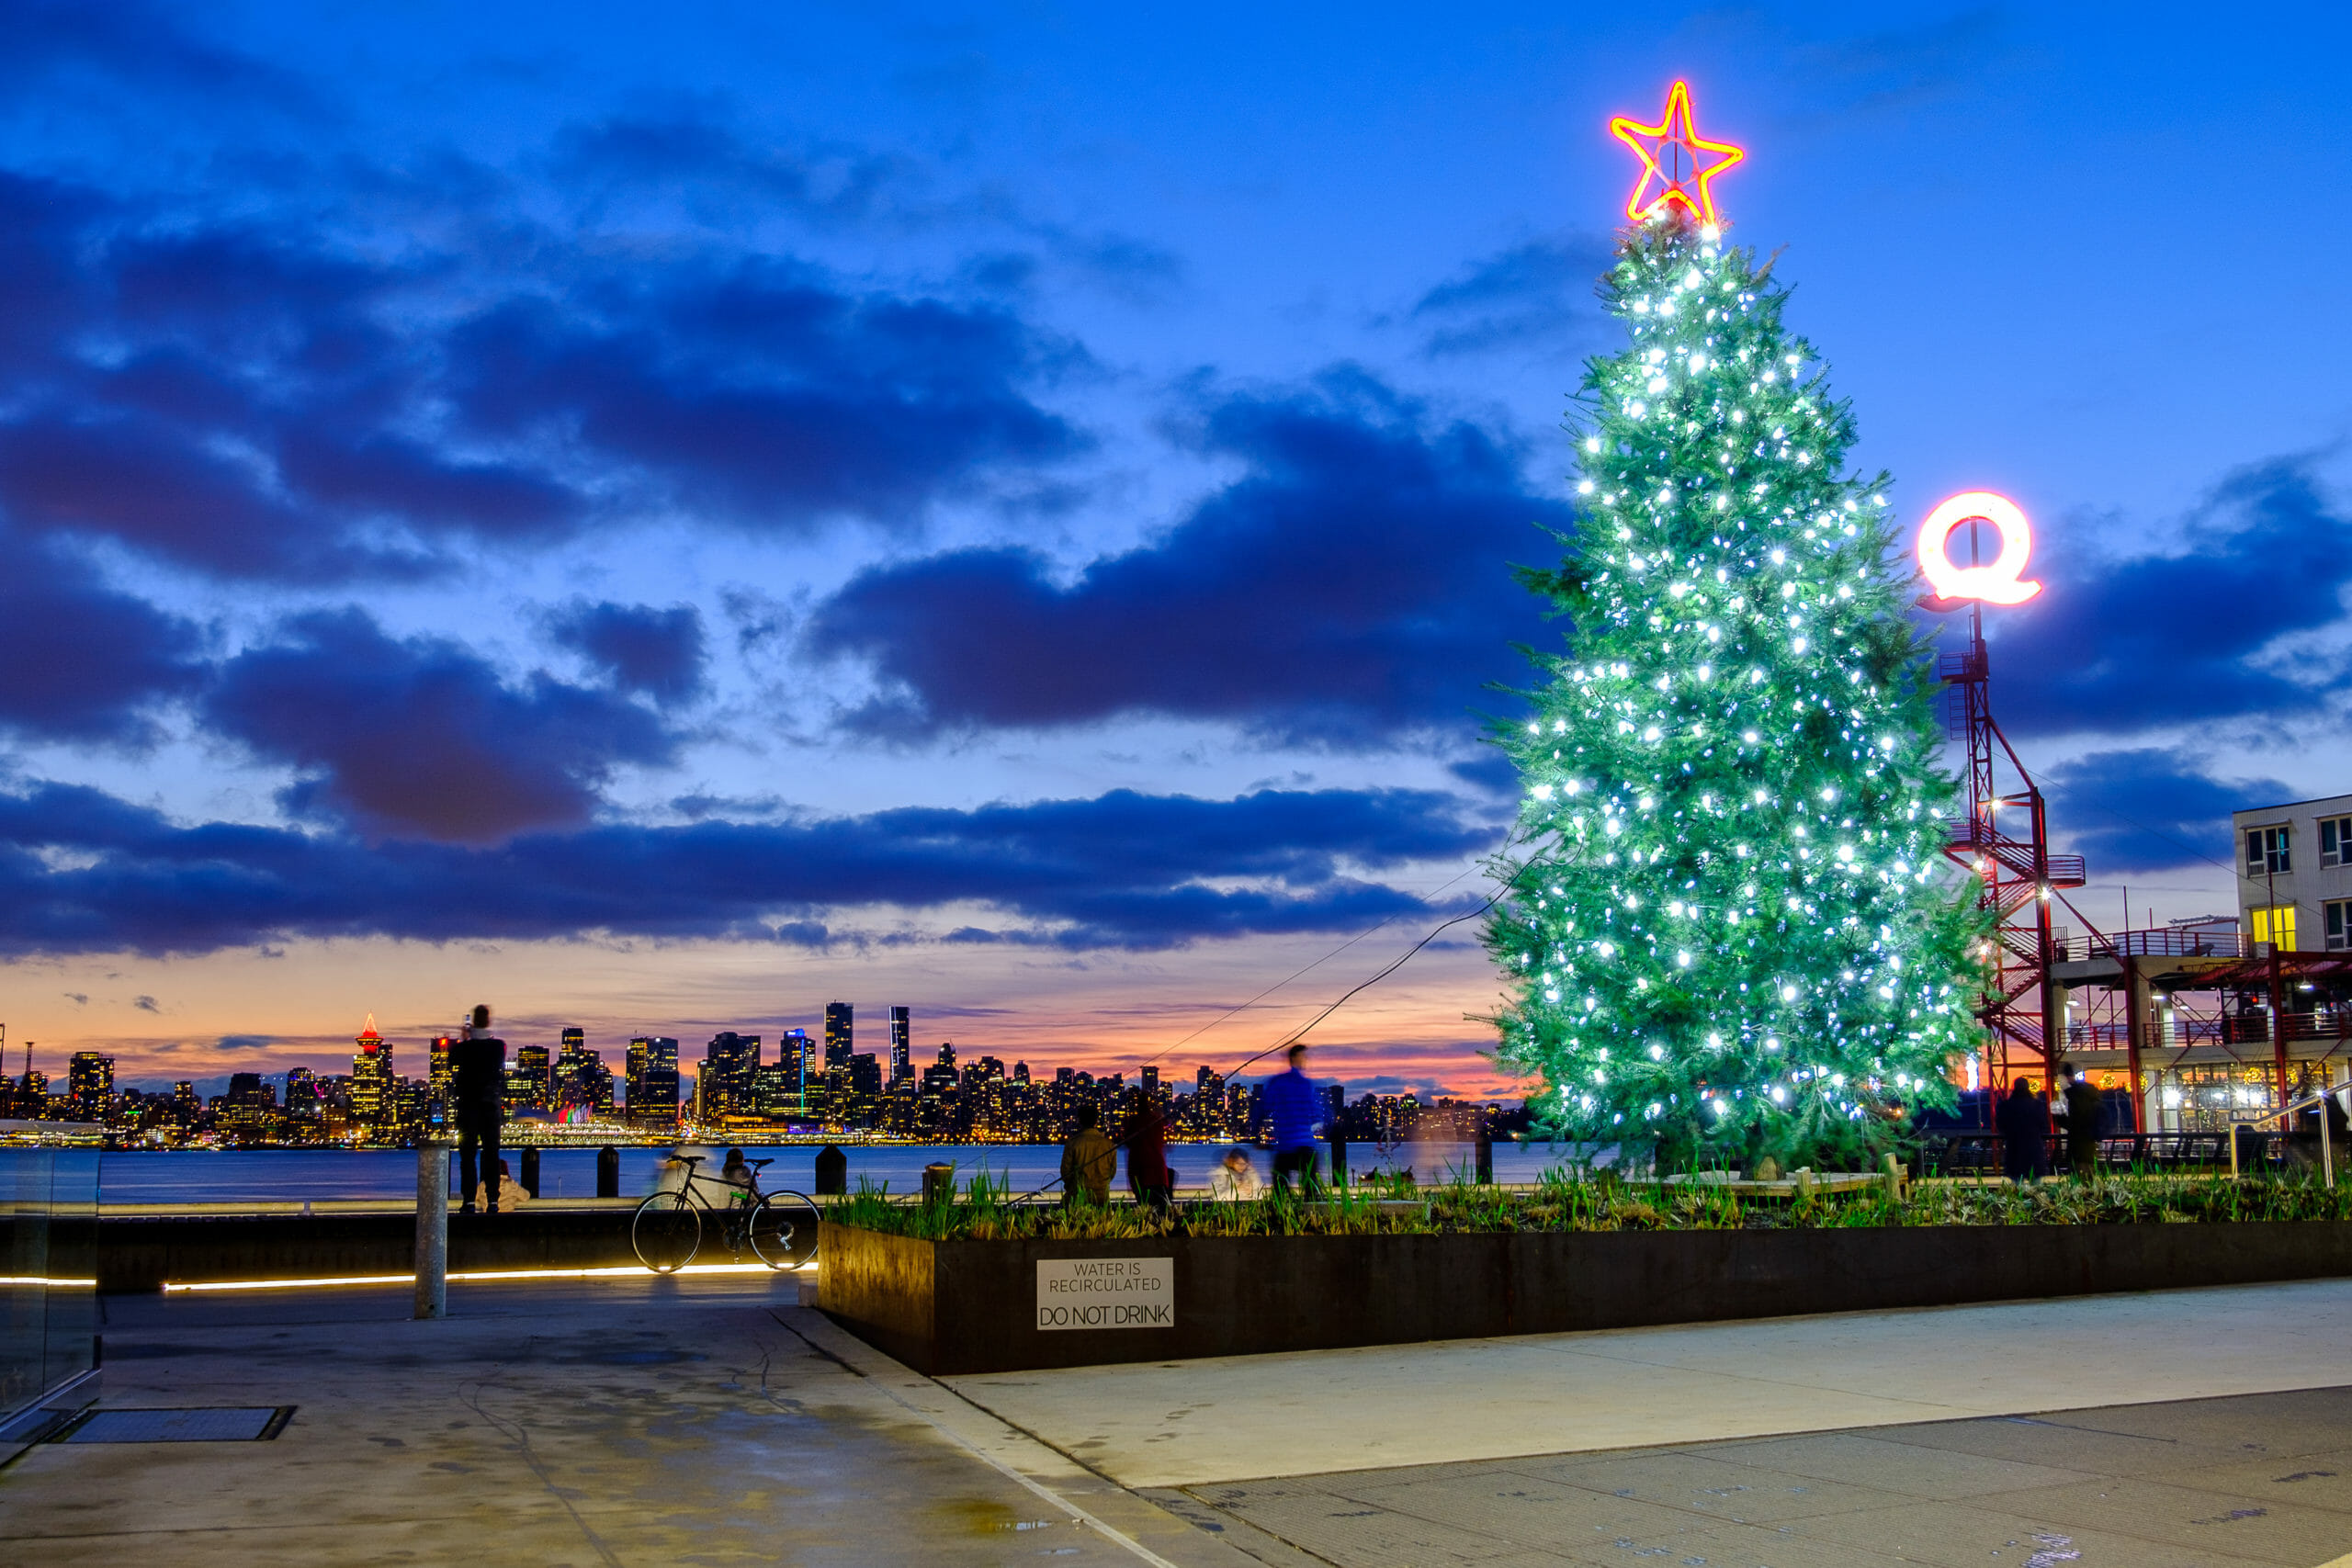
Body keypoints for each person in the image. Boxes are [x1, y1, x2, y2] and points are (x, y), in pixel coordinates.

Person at [450, 1004, 506, 1213]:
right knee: (491, 1154)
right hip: (490, 1108)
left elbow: (452, 1059)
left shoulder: (464, 1048)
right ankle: (493, 1201)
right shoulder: (498, 1046)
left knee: (467, 1156)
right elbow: (497, 1060)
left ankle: (469, 1201)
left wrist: (466, 1038)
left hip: (468, 1108)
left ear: (473, 1022)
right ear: (489, 1021)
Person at [1264, 1043, 1324, 1196]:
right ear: (1293, 1058)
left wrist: (1257, 1135)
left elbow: (1263, 1107)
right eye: (1303, 1057)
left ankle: (1286, 1214)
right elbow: (1317, 1110)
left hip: (1286, 1145)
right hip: (1304, 1145)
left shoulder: (1277, 1082)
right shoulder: (1305, 1084)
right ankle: (1311, 1212)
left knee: (1281, 1187)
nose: (1305, 1060)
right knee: (1311, 1189)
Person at [1995, 1076, 2052, 1186]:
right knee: (2037, 1185)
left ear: (2014, 1087)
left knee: (2017, 1184)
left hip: (2015, 1150)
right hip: (2034, 1149)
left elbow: (2001, 1126)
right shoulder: (2036, 1105)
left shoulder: (2007, 1105)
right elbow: (2043, 1125)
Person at [1060, 1102, 1114, 1208]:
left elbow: (1065, 1172)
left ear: (1079, 1121)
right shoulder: (1108, 1145)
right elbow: (1112, 1171)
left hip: (1078, 1195)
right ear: (1096, 1121)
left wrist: (1072, 1186)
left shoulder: (1073, 1143)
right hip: (1101, 1196)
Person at [1125, 1092, 1172, 1211]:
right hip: (1157, 1172)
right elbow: (1167, 1124)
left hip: (1140, 1172)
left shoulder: (1134, 1121)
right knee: (1160, 1208)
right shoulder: (1156, 1119)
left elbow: (1127, 1141)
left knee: (1145, 1207)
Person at [2061, 1064, 2104, 1177]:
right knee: (2089, 1177)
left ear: (2068, 1077)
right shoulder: (2092, 1095)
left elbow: (2074, 1123)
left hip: (2077, 1146)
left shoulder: (2076, 1097)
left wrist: (2059, 1116)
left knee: (2079, 1177)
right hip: (2090, 1145)